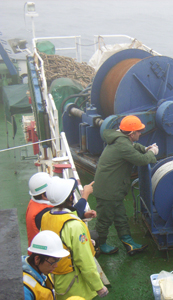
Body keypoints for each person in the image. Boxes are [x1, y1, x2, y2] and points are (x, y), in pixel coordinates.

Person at [92, 115, 158, 255]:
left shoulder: (121, 139)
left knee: (120, 217)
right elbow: (141, 160)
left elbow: (133, 146)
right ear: (131, 133)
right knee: (104, 220)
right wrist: (151, 153)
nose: (140, 133)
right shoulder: (122, 145)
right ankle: (98, 245)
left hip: (113, 189)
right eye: (138, 131)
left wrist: (145, 148)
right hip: (108, 191)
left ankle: (129, 244)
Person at [41, 177, 108, 299]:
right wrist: (99, 286)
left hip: (57, 280)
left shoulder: (46, 217)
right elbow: (84, 260)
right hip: (74, 284)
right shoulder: (74, 226)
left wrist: (82, 214)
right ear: (71, 197)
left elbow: (60, 222)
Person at [26, 173, 96, 247]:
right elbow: (66, 218)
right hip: (49, 253)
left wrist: (83, 214)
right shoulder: (43, 214)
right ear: (44, 195)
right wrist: (85, 194)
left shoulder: (35, 203)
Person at [22, 230, 70, 300]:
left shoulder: (41, 270)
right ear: (37, 259)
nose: (56, 265)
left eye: (57, 260)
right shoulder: (24, 290)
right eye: (52, 261)